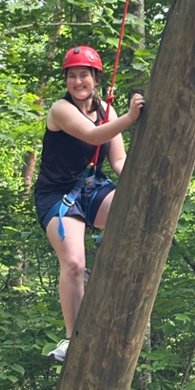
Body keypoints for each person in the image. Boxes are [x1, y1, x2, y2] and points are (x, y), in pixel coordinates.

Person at [34, 46, 144, 362]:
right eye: (72, 76)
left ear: (95, 78)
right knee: (73, 264)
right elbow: (95, 136)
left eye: (84, 74)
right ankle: (73, 339)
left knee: (134, 215)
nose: (78, 81)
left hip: (91, 188)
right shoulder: (60, 109)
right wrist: (129, 117)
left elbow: (119, 160)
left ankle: (109, 281)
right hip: (57, 196)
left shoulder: (105, 111)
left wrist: (136, 189)